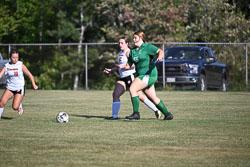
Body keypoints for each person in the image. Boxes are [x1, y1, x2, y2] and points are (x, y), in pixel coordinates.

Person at [104, 37, 161, 119]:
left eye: (122, 43)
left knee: (140, 96)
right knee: (115, 94)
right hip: (123, 77)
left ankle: (156, 110)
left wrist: (125, 66)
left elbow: (135, 64)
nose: (120, 45)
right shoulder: (120, 52)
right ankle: (114, 116)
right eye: (119, 43)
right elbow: (119, 66)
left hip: (131, 76)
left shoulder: (129, 52)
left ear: (127, 44)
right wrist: (111, 70)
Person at [123, 31, 173, 120]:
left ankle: (136, 113)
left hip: (149, 74)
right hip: (142, 75)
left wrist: (160, 56)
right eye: (133, 37)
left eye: (135, 37)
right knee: (153, 98)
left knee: (132, 88)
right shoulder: (133, 51)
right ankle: (168, 114)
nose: (133, 39)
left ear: (141, 38)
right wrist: (114, 68)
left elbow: (160, 51)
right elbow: (128, 64)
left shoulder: (147, 47)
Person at [0, 49, 38, 119]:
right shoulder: (7, 66)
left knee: (15, 107)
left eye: (17, 57)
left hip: (19, 88)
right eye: (13, 57)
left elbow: (30, 75)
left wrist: (34, 84)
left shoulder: (20, 65)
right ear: (10, 57)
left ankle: (19, 104)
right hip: (10, 88)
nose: (15, 59)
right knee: (1, 103)